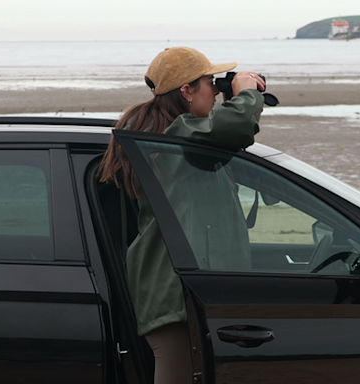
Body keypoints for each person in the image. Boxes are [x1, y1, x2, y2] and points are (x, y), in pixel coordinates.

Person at [99, 46, 264, 384]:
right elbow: (236, 128)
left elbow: (226, 138)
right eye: (210, 82)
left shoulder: (179, 140)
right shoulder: (170, 142)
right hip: (175, 295)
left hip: (186, 290)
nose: (217, 90)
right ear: (186, 91)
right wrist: (245, 93)